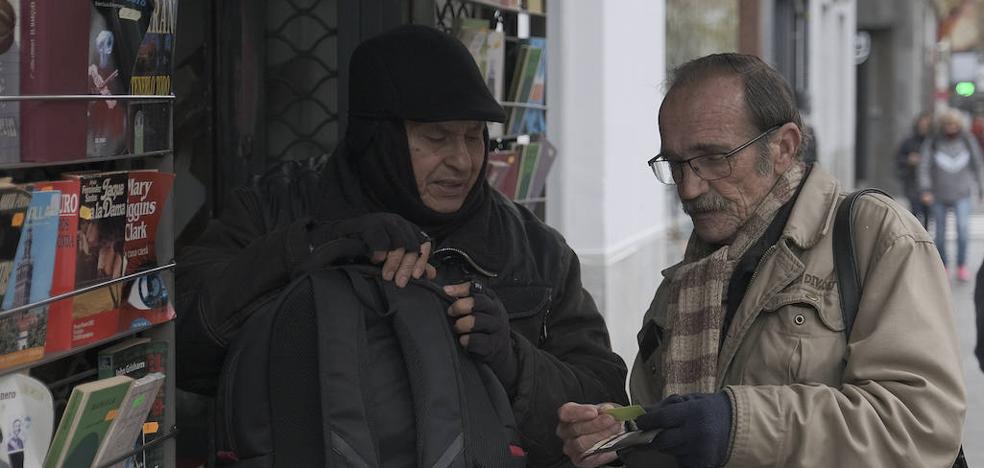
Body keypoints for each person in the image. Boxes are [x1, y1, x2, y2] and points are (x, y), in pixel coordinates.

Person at [175, 24, 628, 465]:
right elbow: (182, 347)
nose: (463, 160)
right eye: (437, 136)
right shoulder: (273, 209)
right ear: (379, 136)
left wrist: (514, 361)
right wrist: (309, 248)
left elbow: (605, 410)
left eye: (474, 136)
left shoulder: (536, 251)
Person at [557, 53, 966, 467]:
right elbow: (672, 422)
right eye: (676, 164)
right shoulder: (685, 280)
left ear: (784, 147)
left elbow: (920, 427)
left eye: (714, 158)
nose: (690, 187)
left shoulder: (876, 236)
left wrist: (739, 425)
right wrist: (624, 437)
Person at [919, 108, 984, 282]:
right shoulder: (933, 142)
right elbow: (924, 166)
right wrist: (925, 189)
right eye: (948, 124)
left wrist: (980, 188)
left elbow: (977, 165)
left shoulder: (967, 141)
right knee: (940, 233)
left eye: (954, 125)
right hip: (938, 194)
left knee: (963, 231)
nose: (951, 128)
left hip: (962, 193)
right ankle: (943, 266)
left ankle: (962, 265)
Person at [896, 112, 932, 228]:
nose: (924, 127)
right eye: (922, 124)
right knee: (915, 210)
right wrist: (908, 160)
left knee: (928, 212)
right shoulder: (909, 141)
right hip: (912, 181)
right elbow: (898, 159)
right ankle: (917, 235)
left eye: (927, 125)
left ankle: (925, 236)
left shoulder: (934, 141)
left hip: (930, 182)